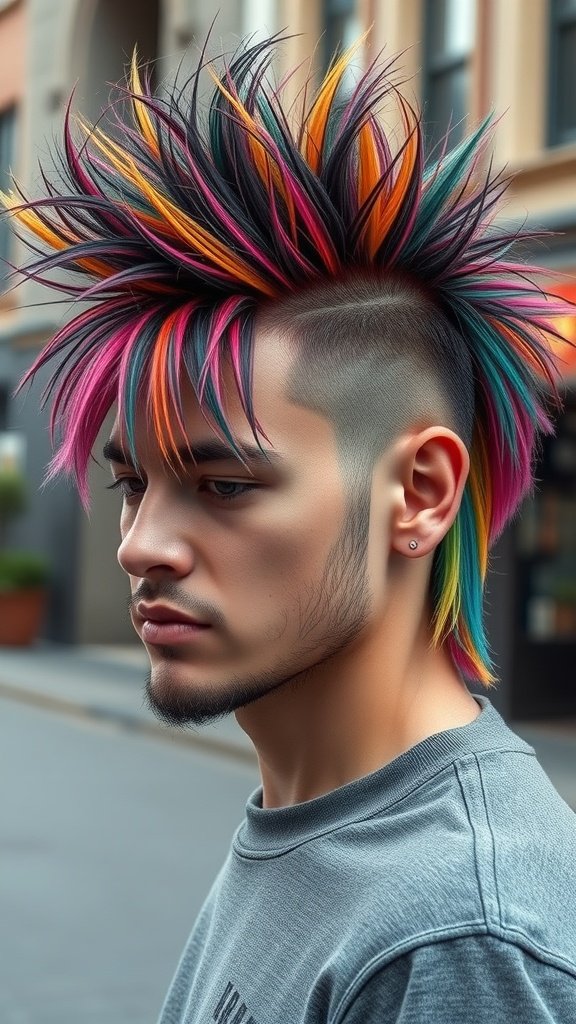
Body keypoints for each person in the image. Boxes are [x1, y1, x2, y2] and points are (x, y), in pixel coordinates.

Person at [3, 33, 576, 1024]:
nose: (140, 544)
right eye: (134, 482)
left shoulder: (458, 935)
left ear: (422, 493)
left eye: (224, 485)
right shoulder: (315, 816)